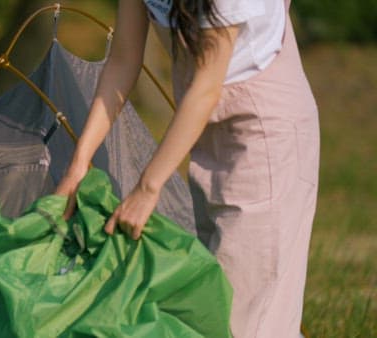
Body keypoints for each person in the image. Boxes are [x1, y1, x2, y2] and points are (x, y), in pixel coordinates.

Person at [55, 0, 319, 337]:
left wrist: (147, 189)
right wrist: (78, 165)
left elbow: (207, 88)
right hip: (204, 128)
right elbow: (123, 60)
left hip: (265, 131)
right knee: (213, 297)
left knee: (247, 316)